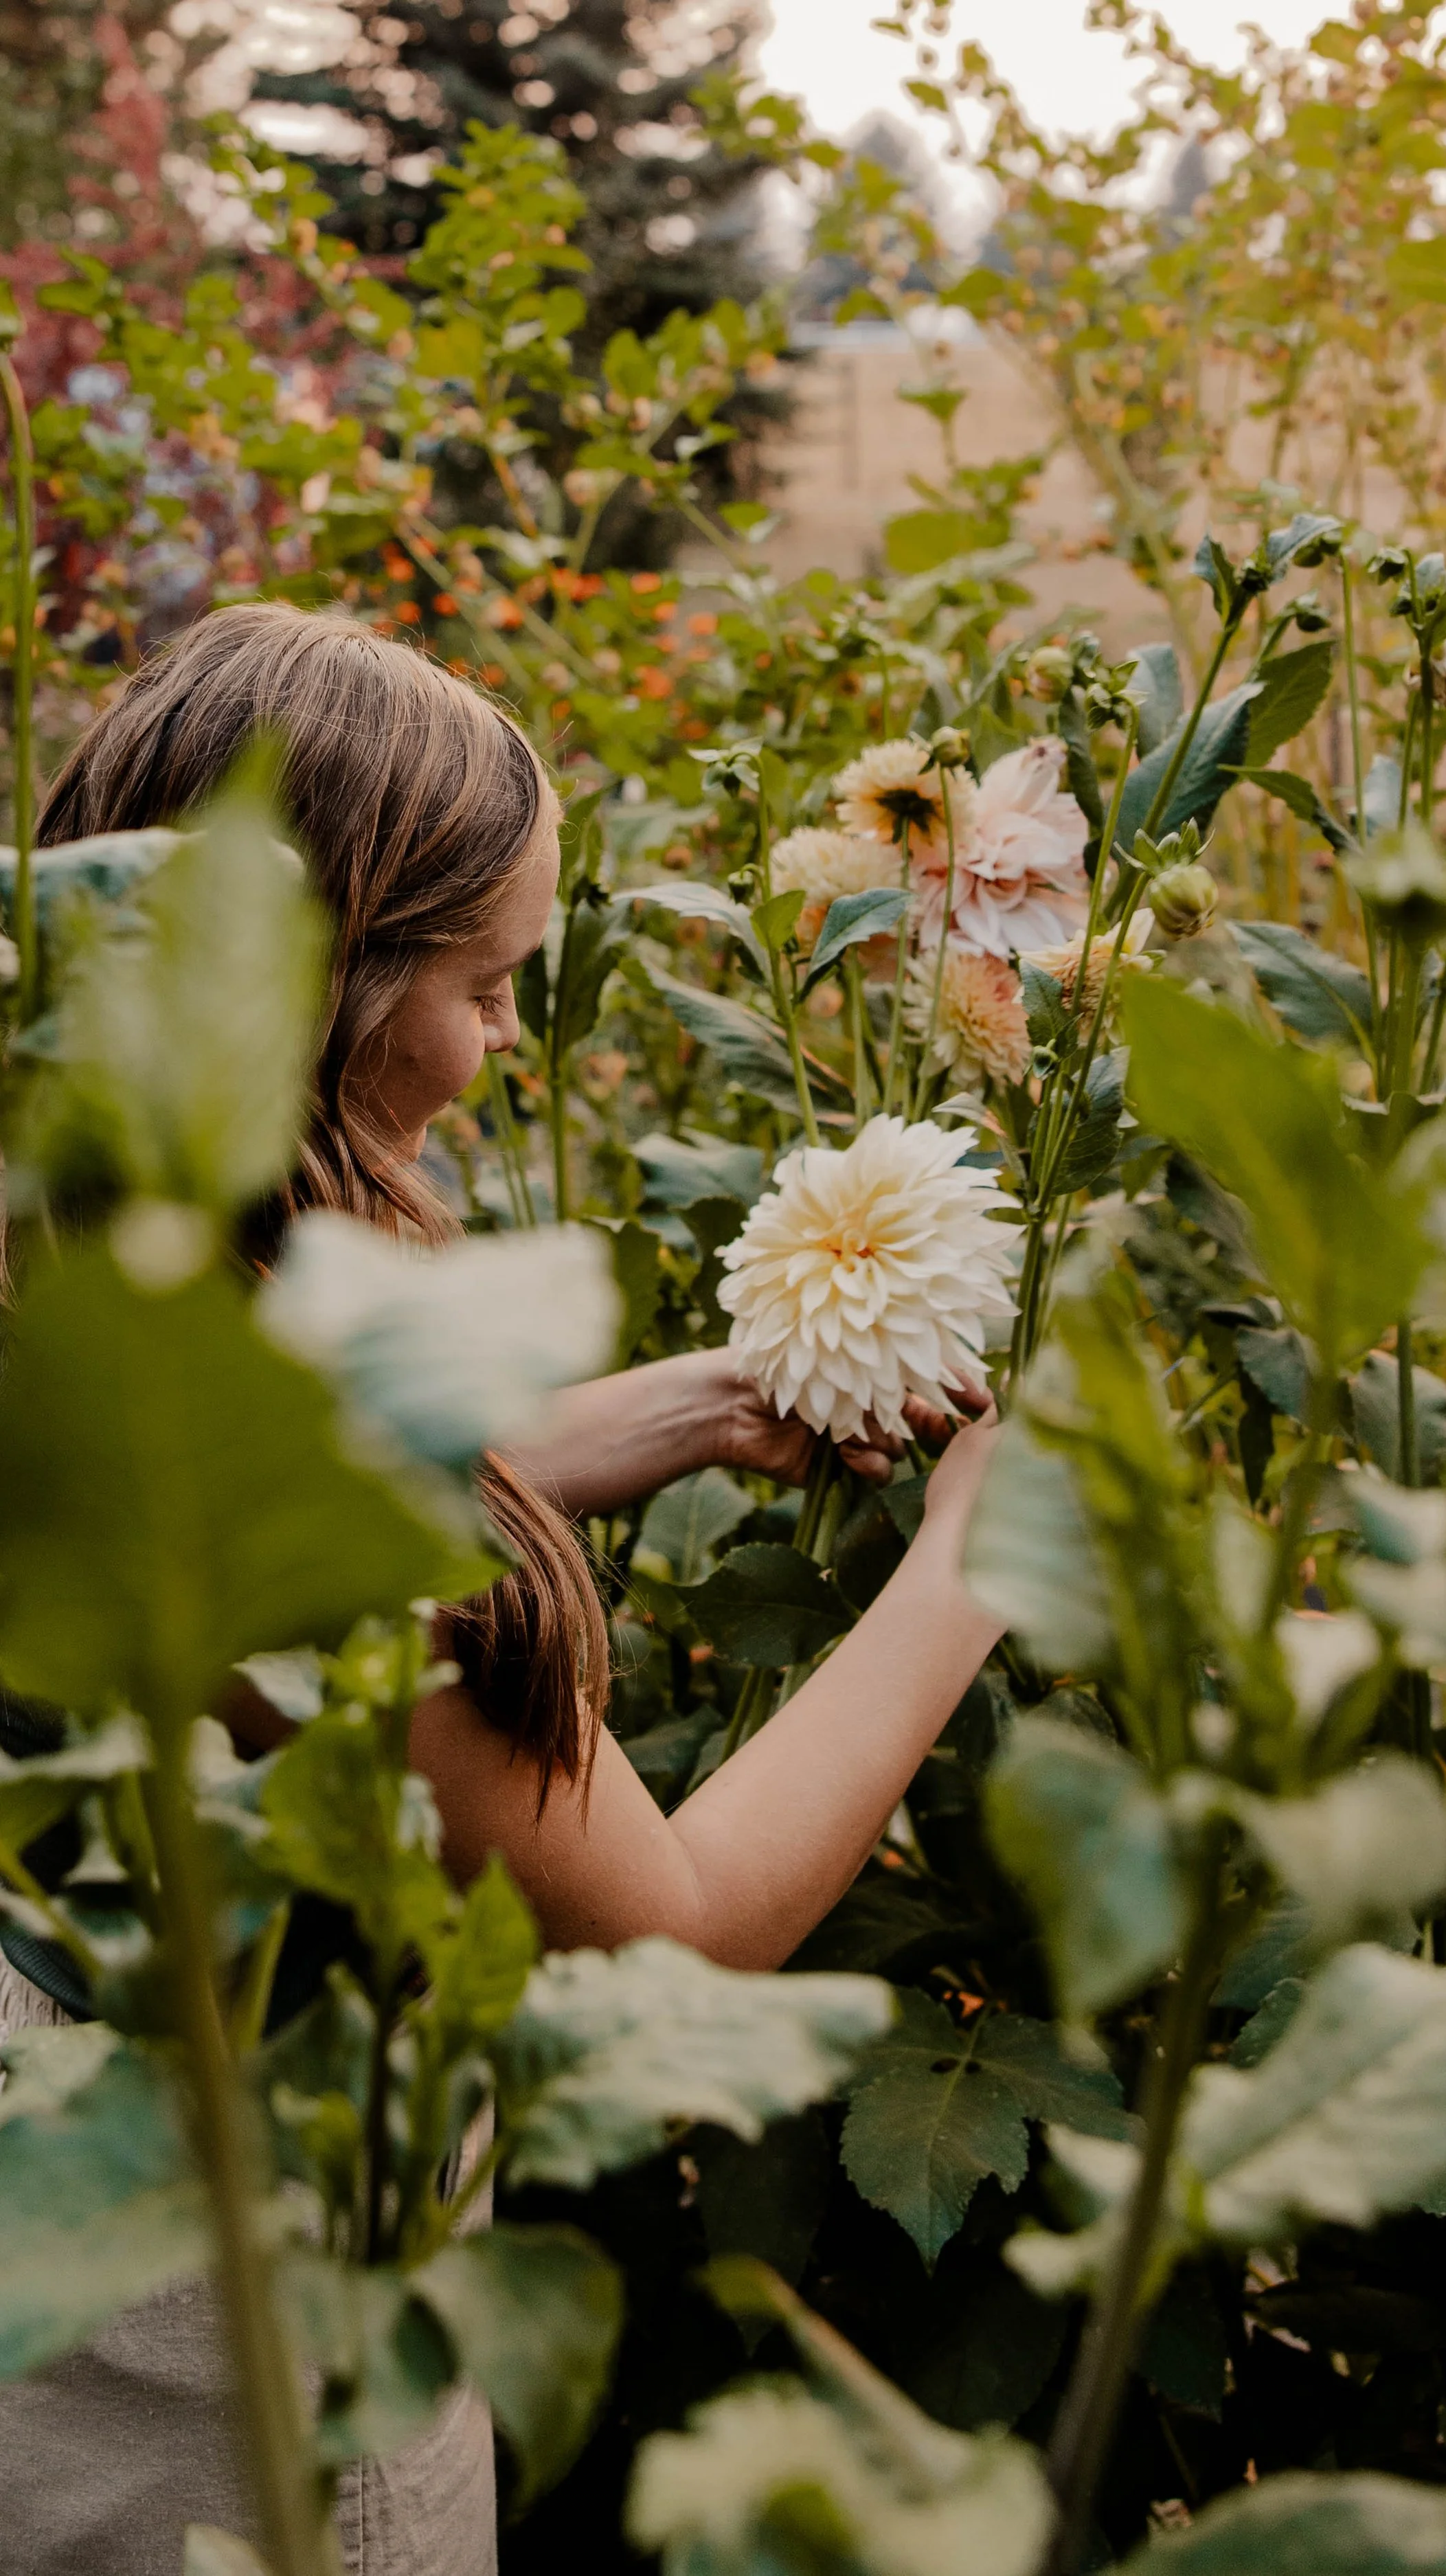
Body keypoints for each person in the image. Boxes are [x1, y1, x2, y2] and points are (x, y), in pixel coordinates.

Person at [0, 601, 1005, 2576]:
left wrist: (702, 1399)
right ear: (322, 994)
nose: (506, 1043)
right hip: (256, 2351)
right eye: (485, 983)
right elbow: (682, 1935)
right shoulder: (351, 1499)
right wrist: (979, 1556)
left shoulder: (93, 1282)